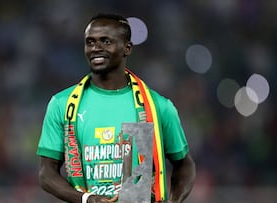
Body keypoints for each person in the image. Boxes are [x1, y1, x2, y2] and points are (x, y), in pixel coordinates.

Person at [36, 13, 196, 203]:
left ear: (127, 48)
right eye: (90, 42)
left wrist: (173, 201)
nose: (96, 48)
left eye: (106, 41)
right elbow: (46, 173)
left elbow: (184, 164)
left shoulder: (158, 107)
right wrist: (88, 199)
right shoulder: (62, 105)